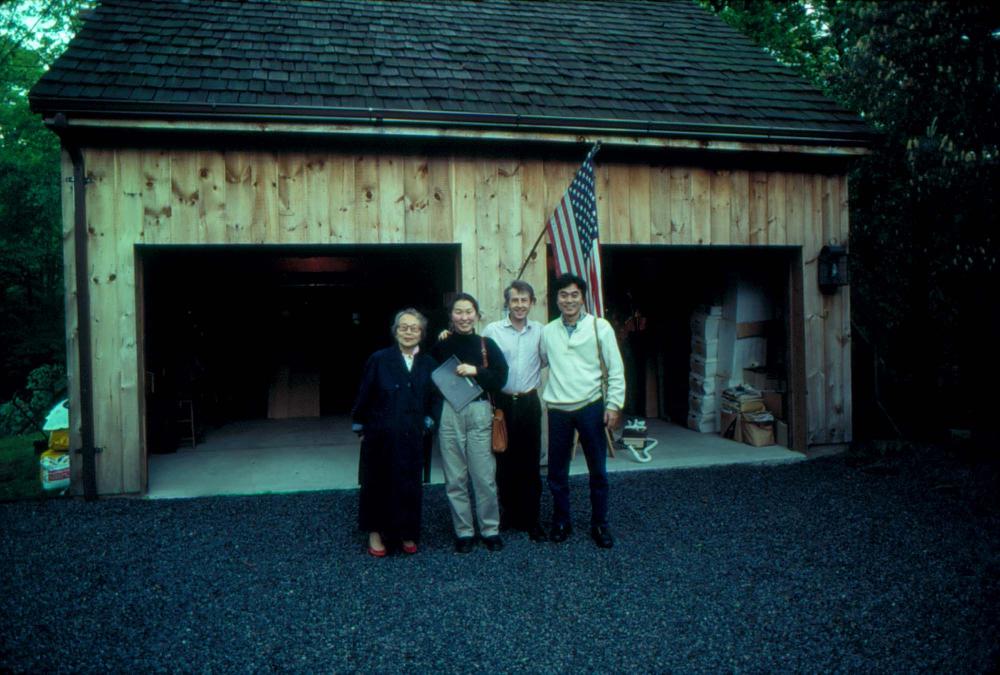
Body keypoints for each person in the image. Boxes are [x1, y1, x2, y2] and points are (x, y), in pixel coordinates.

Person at [540, 273, 625, 548]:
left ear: (583, 297)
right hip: (558, 410)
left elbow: (616, 368)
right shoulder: (548, 331)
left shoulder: (600, 328)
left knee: (597, 471)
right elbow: (537, 360)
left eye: (574, 294)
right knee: (557, 472)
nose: (569, 300)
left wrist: (613, 404)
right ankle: (561, 521)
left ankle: (600, 524)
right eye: (563, 295)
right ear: (556, 299)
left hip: (591, 406)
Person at [351, 308, 436, 557]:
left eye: (414, 328)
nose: (408, 332)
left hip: (412, 436)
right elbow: (364, 392)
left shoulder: (428, 363)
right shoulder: (379, 359)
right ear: (395, 331)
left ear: (421, 333)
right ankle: (376, 534)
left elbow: (434, 398)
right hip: (380, 434)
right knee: (377, 483)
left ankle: (407, 533)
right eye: (403, 327)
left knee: (409, 484)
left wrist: (430, 420)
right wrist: (360, 424)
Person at [431, 293, 509, 553]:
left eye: (469, 312)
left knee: (484, 476)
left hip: (478, 411)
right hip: (450, 412)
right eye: (458, 312)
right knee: (455, 477)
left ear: (477, 315)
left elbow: (501, 378)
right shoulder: (441, 344)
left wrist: (476, 371)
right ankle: (464, 532)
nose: (464, 317)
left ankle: (490, 529)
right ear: (451, 316)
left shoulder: (486, 344)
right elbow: (430, 377)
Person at [481, 280, 548, 542]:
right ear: (507, 303)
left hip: (530, 402)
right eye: (514, 300)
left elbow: (545, 360)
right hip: (502, 404)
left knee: (530, 463)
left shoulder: (541, 331)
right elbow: (481, 361)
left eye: (524, 300)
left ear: (532, 303)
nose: (519, 305)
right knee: (504, 461)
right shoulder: (492, 331)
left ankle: (532, 520)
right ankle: (508, 515)